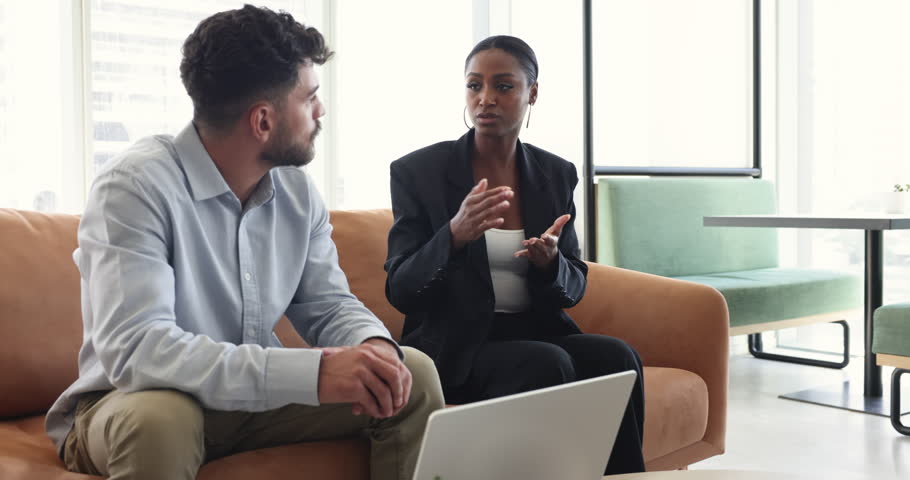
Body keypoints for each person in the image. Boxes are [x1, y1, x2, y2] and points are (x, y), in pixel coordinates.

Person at [45, 6, 444, 480]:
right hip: (131, 399)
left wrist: (371, 346)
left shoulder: (296, 191)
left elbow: (328, 303)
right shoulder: (133, 188)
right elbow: (139, 351)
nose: (321, 110)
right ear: (262, 121)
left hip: (252, 399)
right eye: (310, 97)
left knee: (409, 375)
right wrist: (316, 374)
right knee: (161, 420)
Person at [384, 35, 645, 475]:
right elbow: (401, 289)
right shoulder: (418, 172)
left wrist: (549, 263)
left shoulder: (555, 174)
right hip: (456, 346)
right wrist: (454, 235)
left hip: (535, 330)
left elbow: (575, 284)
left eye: (503, 86)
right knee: (549, 363)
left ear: (532, 93)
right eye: (474, 86)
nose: (485, 99)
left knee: (619, 359)